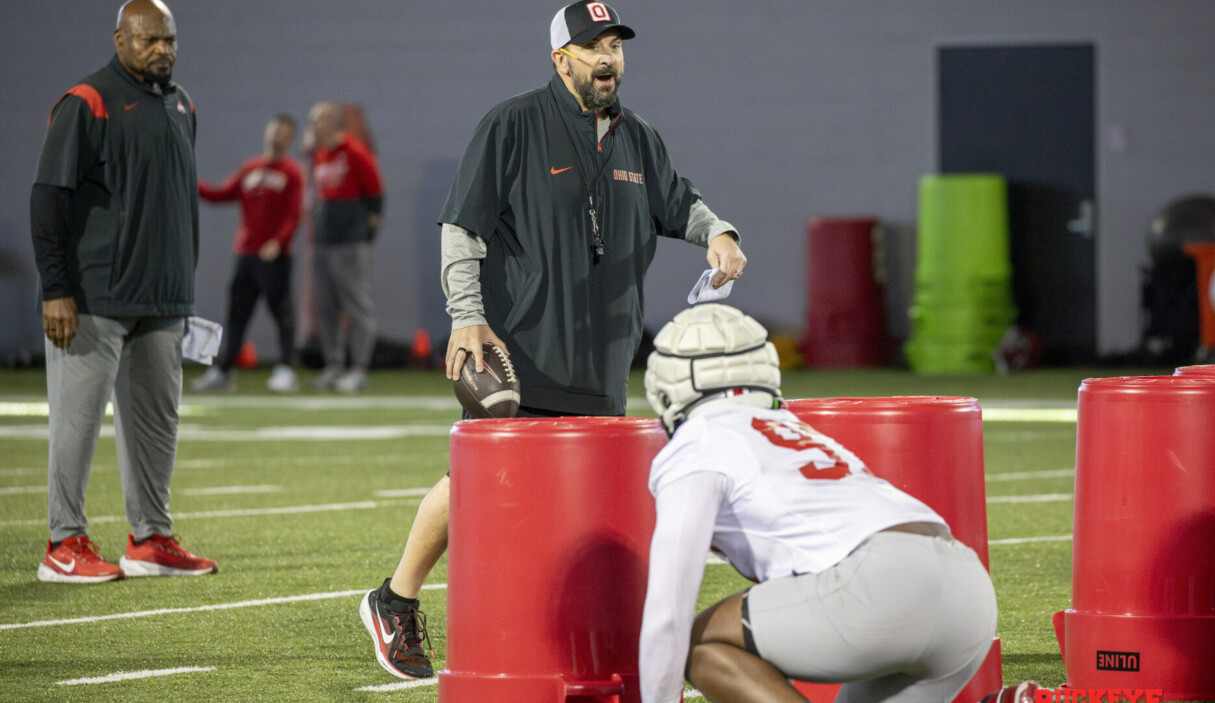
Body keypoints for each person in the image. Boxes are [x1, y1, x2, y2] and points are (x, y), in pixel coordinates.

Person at [357, 1, 748, 680]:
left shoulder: (638, 139)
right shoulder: (511, 126)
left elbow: (678, 200)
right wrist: (465, 314)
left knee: (584, 506)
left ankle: (572, 633)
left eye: (616, 46)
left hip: (600, 363)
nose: (608, 59)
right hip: (517, 352)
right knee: (477, 486)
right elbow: (462, 229)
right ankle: (395, 599)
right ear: (560, 58)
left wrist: (718, 232)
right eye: (593, 47)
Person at [638, 305, 1000, 702]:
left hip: (882, 588)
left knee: (697, 643)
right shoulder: (798, 430)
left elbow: (669, 604)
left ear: (667, 388)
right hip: (969, 596)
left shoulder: (698, 444)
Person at [29, 0, 217, 583]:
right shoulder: (87, 101)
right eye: (149, 40)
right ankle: (63, 543)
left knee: (158, 427)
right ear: (120, 39)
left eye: (169, 40)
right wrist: (56, 288)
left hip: (162, 301)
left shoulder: (182, 103)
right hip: (94, 299)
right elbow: (48, 198)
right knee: (76, 423)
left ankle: (151, 539)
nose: (162, 49)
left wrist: (182, 288)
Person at [193, 114, 305, 393]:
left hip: (274, 256)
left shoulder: (292, 172)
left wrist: (279, 242)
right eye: (275, 129)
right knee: (236, 314)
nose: (278, 135)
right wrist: (191, 182)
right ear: (267, 131)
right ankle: (224, 371)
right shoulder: (250, 167)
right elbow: (221, 193)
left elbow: (294, 214)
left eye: (284, 132)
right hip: (246, 254)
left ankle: (286, 368)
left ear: (290, 138)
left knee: (282, 313)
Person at [306, 101, 383, 393]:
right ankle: (334, 366)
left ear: (334, 122)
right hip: (325, 242)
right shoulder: (321, 154)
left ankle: (359, 369)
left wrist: (365, 238)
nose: (313, 125)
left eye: (319, 119)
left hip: (351, 242)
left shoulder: (354, 152)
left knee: (357, 306)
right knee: (326, 307)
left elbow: (376, 196)